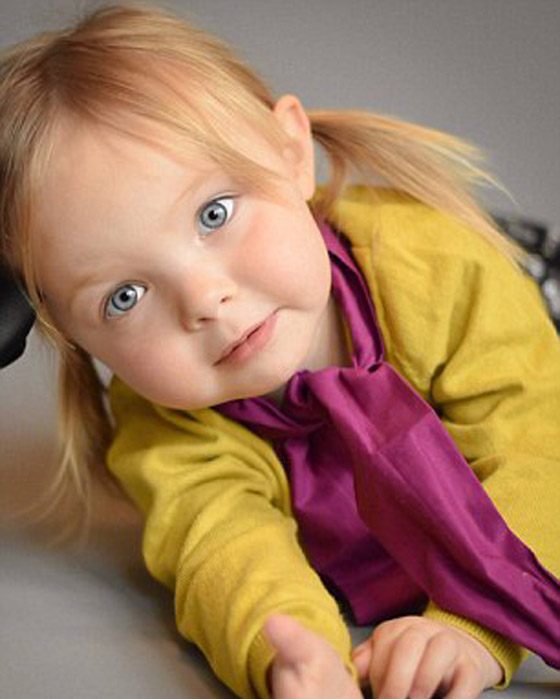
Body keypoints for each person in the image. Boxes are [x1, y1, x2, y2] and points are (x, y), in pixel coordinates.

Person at [1, 4, 559, 699]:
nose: (204, 300)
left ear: (292, 153)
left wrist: (473, 627)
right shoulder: (166, 426)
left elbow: (539, 450)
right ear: (69, 332)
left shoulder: (443, 273)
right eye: (125, 295)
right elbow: (225, 552)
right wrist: (294, 656)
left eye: (214, 213)